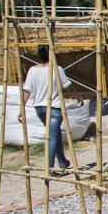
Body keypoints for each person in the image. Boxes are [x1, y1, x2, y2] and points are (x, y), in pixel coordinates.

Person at [22, 44, 72, 172]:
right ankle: (49, 166)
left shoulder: (33, 70)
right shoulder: (57, 68)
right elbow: (66, 85)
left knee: (54, 134)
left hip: (39, 108)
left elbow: (26, 90)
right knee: (52, 136)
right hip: (54, 107)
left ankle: (62, 161)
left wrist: (21, 108)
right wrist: (78, 97)